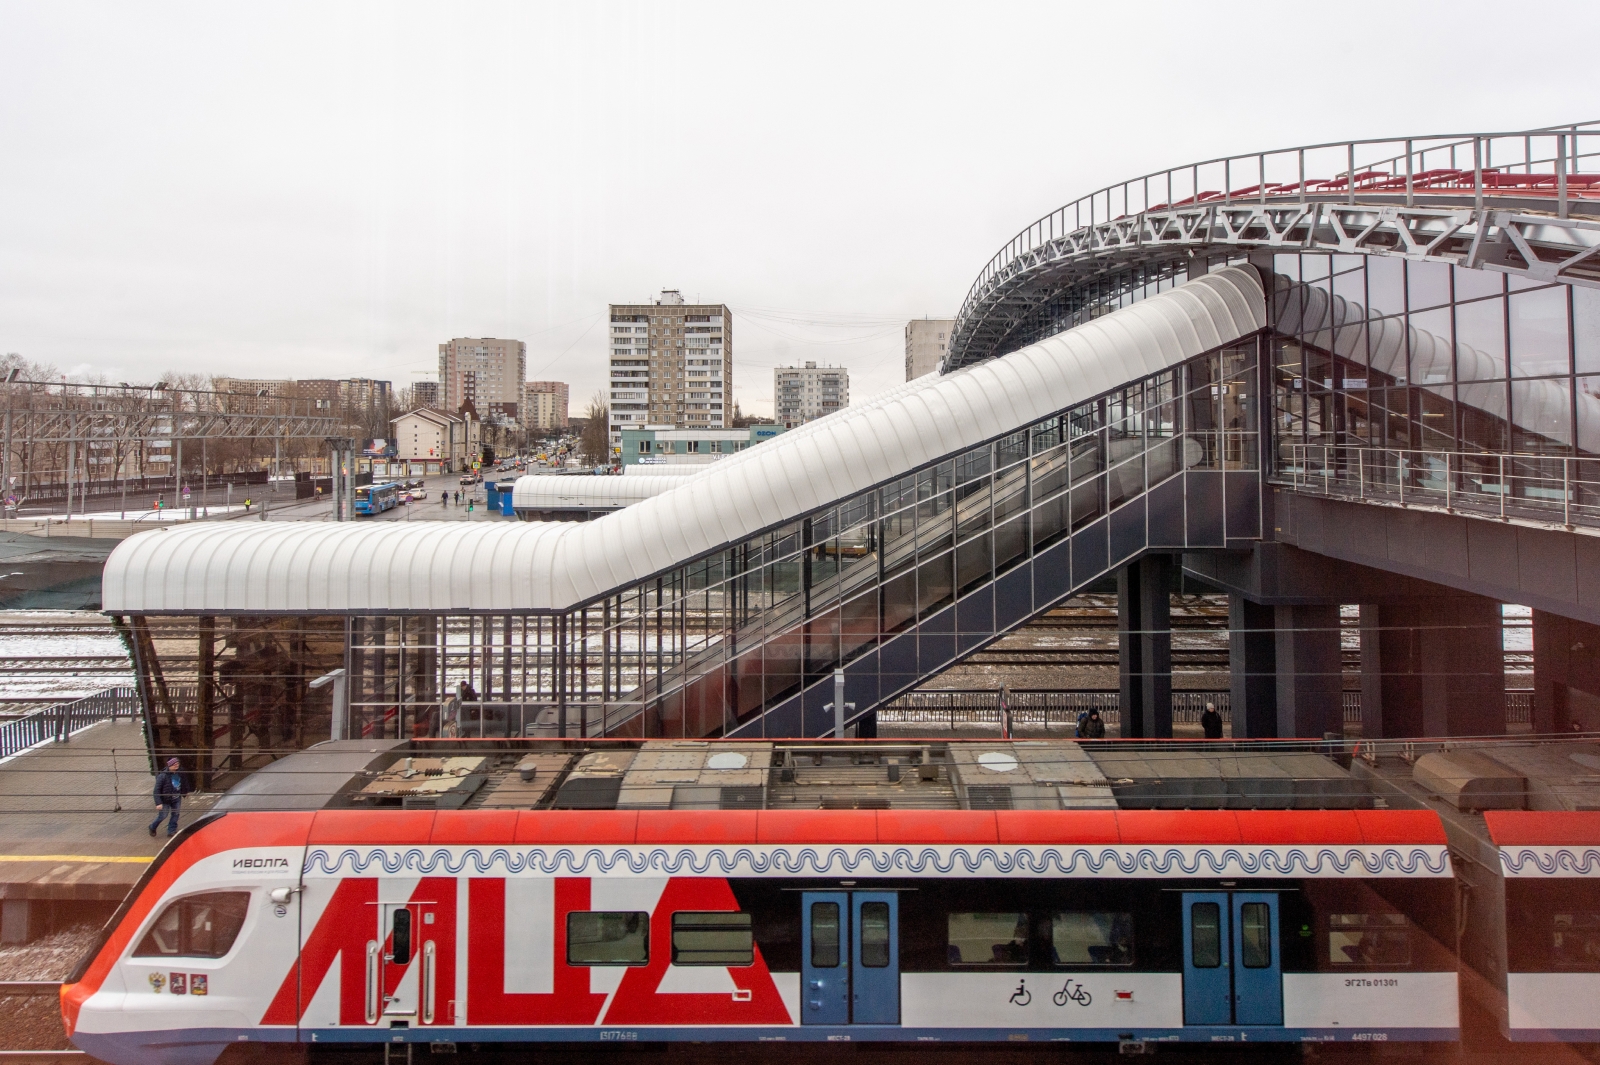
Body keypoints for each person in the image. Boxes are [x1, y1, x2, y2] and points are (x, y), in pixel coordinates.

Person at [149, 757, 186, 838]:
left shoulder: (180, 773)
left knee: (176, 814)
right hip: (165, 800)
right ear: (169, 765)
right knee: (163, 815)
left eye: (177, 764)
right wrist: (158, 803)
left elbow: (184, 782)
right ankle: (152, 827)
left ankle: (171, 831)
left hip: (176, 798)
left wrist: (185, 792)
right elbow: (156, 790)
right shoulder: (162, 776)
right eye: (174, 764)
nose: (177, 765)